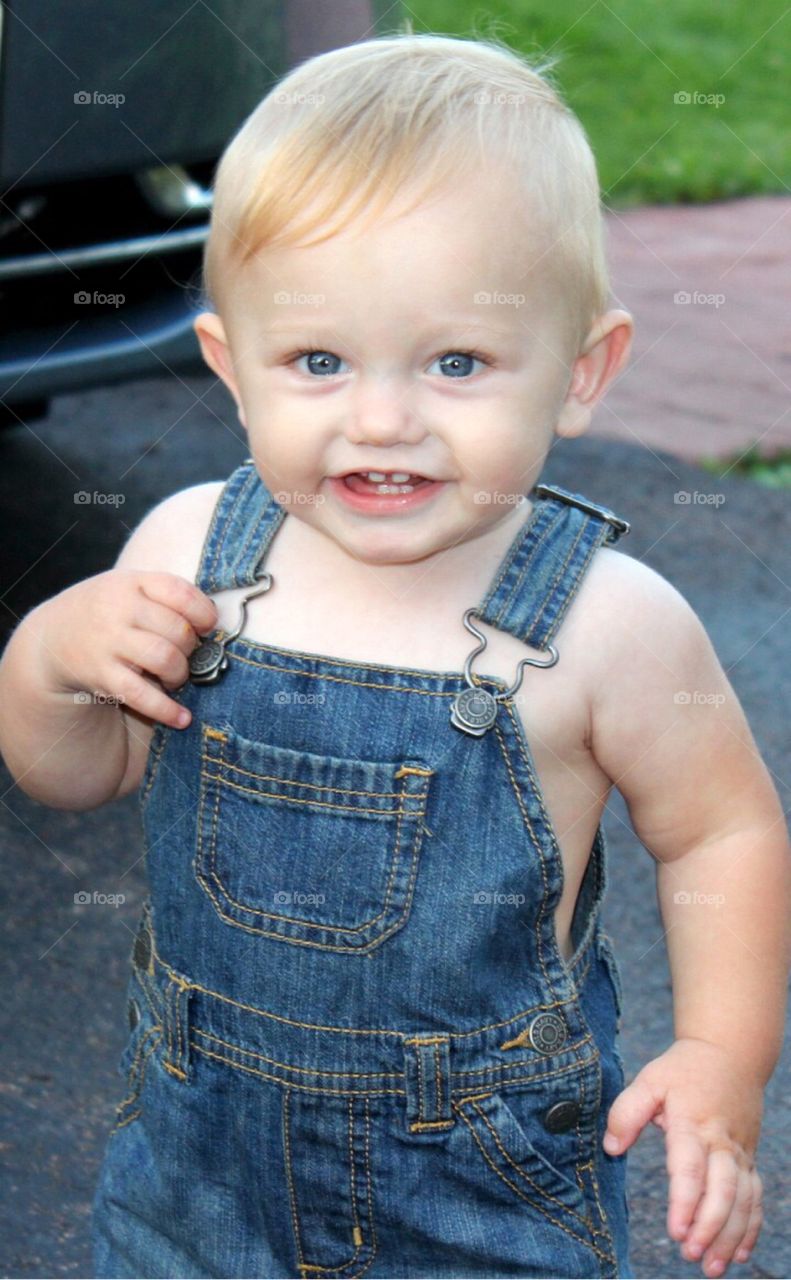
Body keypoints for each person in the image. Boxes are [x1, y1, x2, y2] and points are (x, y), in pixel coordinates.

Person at [0, 29, 788, 1280]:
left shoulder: (605, 622)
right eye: (317, 360)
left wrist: (719, 1057)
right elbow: (76, 771)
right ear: (229, 366)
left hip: (478, 1188)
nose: (382, 418)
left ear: (582, 371)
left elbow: (722, 830)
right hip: (191, 1173)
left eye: (456, 362)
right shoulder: (186, 551)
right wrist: (46, 661)